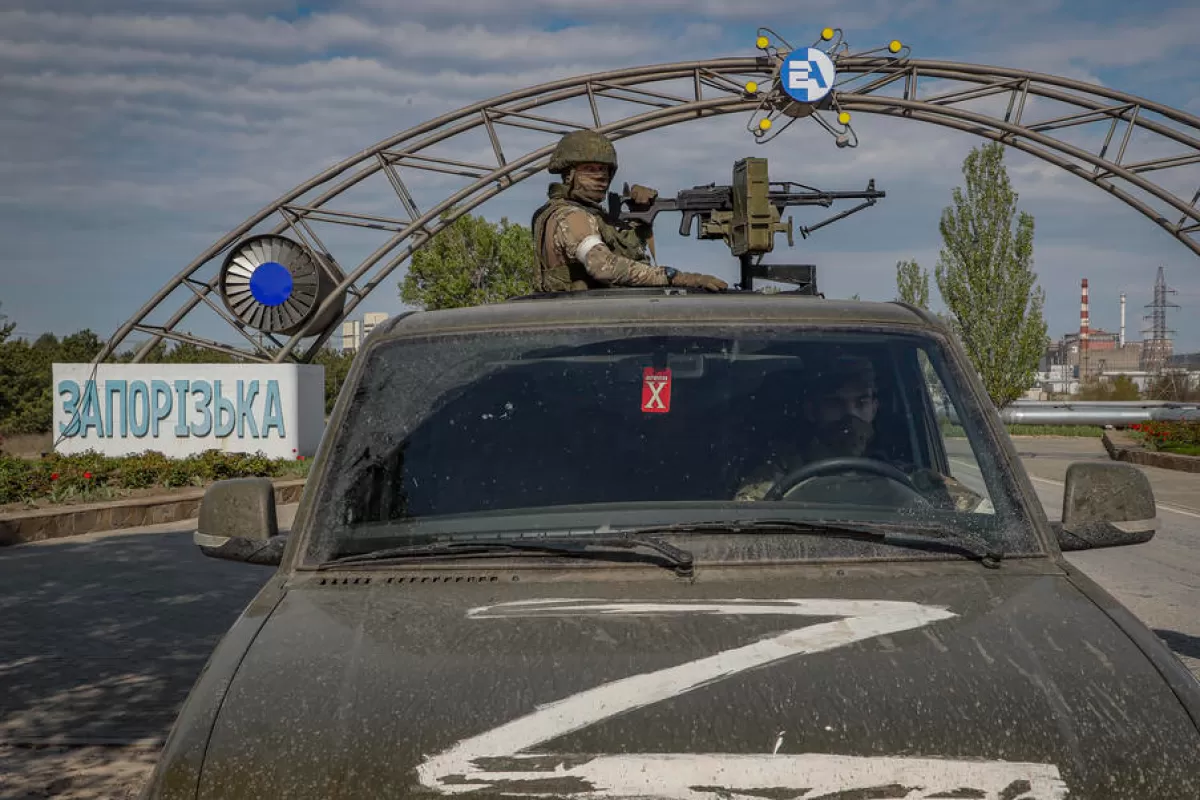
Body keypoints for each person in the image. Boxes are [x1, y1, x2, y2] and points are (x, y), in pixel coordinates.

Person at [734, 354, 983, 510]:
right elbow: (744, 524)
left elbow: (983, 518)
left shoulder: (911, 478)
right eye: (835, 404)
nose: (850, 417)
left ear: (874, 408)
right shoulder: (775, 476)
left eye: (860, 403)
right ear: (812, 411)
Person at [531, 130, 728, 293]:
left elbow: (627, 259)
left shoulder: (589, 216)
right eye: (590, 169)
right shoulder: (571, 216)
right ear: (569, 175)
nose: (600, 177)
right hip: (583, 320)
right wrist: (675, 277)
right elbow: (603, 266)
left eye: (604, 170)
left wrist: (639, 221)